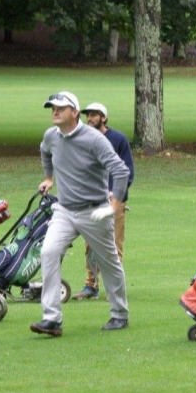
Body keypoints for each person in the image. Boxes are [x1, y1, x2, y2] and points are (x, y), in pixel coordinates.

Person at [31, 91, 131, 337]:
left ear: (74, 112)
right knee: (48, 252)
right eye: (52, 107)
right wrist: (48, 177)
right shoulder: (51, 136)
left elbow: (120, 170)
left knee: (109, 262)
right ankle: (51, 319)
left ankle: (120, 314)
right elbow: (45, 151)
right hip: (64, 210)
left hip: (94, 211)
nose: (55, 111)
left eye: (61, 108)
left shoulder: (94, 139)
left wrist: (114, 204)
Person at [72, 102, 135, 300]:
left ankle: (114, 288)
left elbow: (127, 172)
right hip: (91, 202)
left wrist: (115, 193)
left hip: (114, 202)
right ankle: (91, 285)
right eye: (88, 115)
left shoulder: (118, 139)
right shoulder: (82, 140)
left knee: (114, 246)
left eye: (94, 115)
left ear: (104, 118)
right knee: (90, 245)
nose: (89, 118)